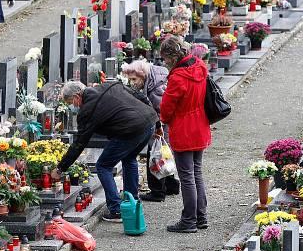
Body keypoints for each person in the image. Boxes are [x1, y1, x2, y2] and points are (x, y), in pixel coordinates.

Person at [51, 81, 159, 222]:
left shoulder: (87, 110)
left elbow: (79, 143)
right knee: (129, 158)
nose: (73, 106)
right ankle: (132, 202)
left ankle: (116, 210)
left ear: (77, 96)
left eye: (71, 102)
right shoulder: (110, 85)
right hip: (148, 123)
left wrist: (60, 168)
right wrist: (157, 122)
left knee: (103, 166)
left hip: (130, 130)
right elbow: (140, 96)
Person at [159, 36, 212, 233]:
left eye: (165, 59)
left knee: (187, 176)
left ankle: (189, 220)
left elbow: (166, 108)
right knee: (196, 172)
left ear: (172, 57)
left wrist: (163, 119)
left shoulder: (178, 77)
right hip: (201, 125)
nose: (164, 63)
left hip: (184, 129)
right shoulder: (199, 66)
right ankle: (201, 215)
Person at [122, 60, 181, 201]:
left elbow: (160, 110)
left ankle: (157, 192)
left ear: (142, 75)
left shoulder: (155, 87)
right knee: (164, 154)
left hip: (162, 125)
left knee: (155, 156)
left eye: (134, 79)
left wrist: (156, 127)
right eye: (130, 80)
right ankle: (171, 186)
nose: (132, 83)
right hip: (166, 124)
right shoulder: (155, 76)